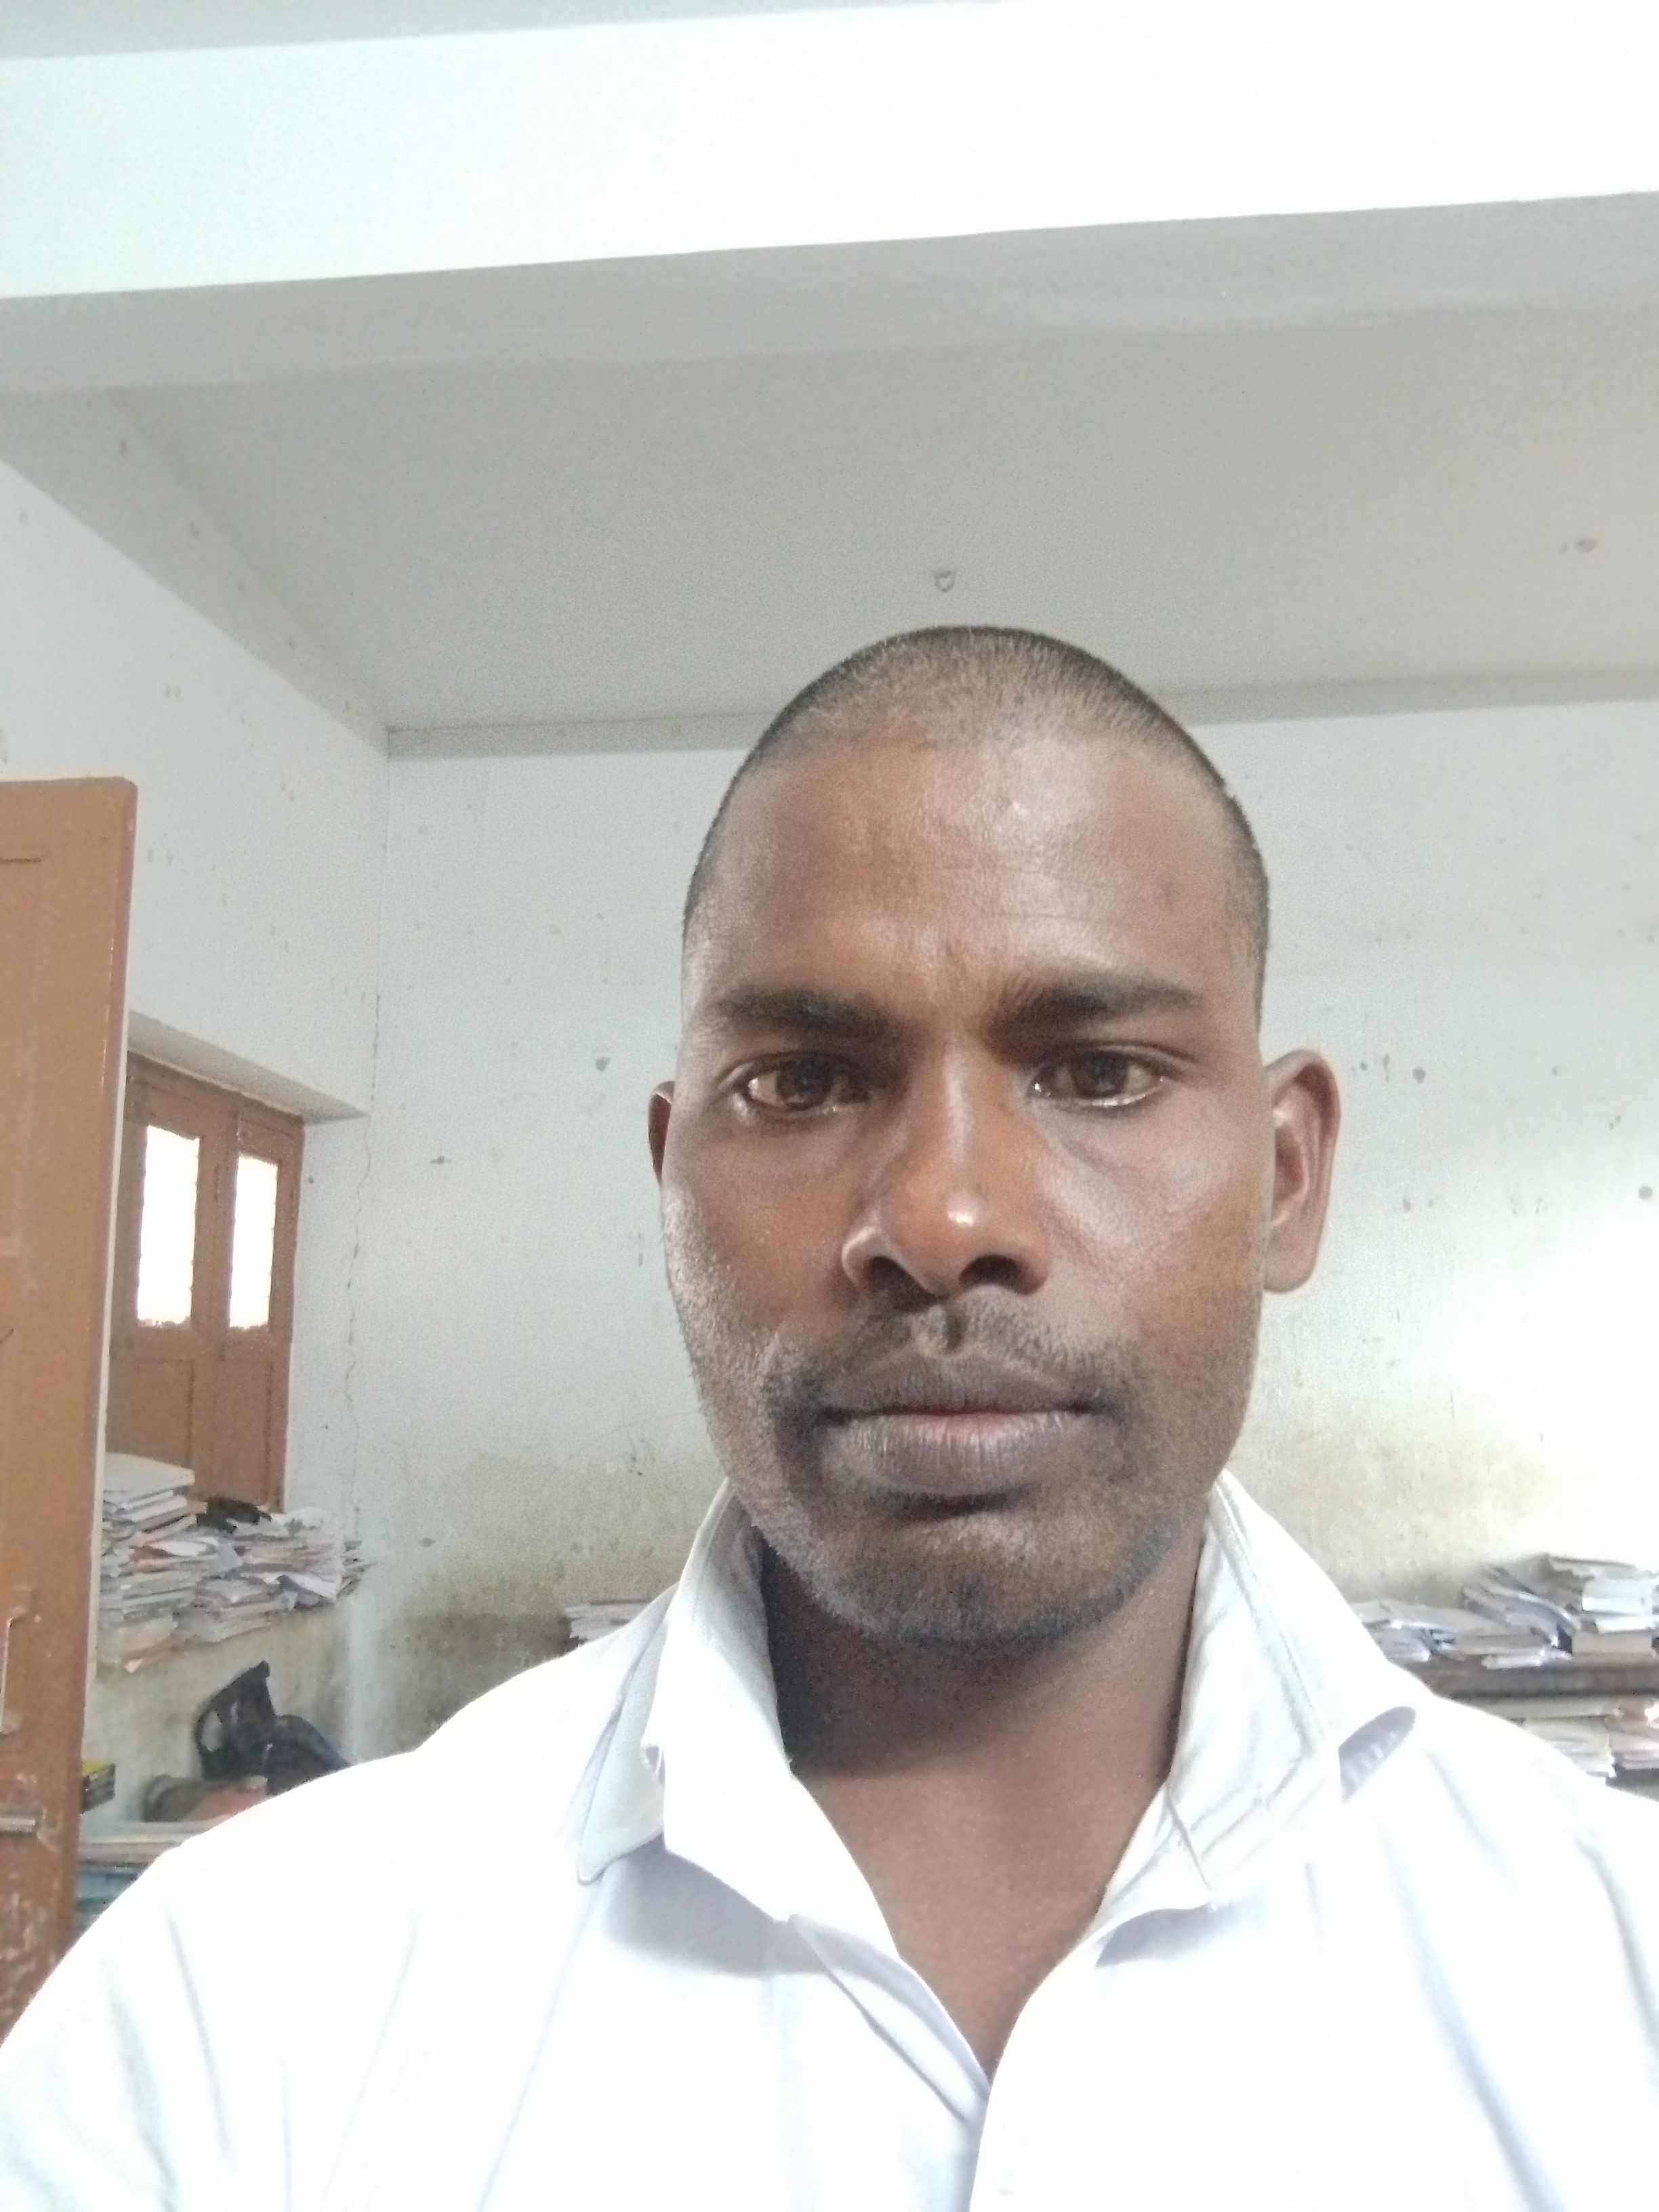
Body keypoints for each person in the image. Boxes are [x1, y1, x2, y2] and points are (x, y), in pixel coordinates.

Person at [1, 626, 1654, 2206]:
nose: (942, 1218)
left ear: (1286, 1180)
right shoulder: (233, 2021)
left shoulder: (1614, 1972)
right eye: (801, 1082)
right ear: (671, 1187)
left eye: (1098, 1074)